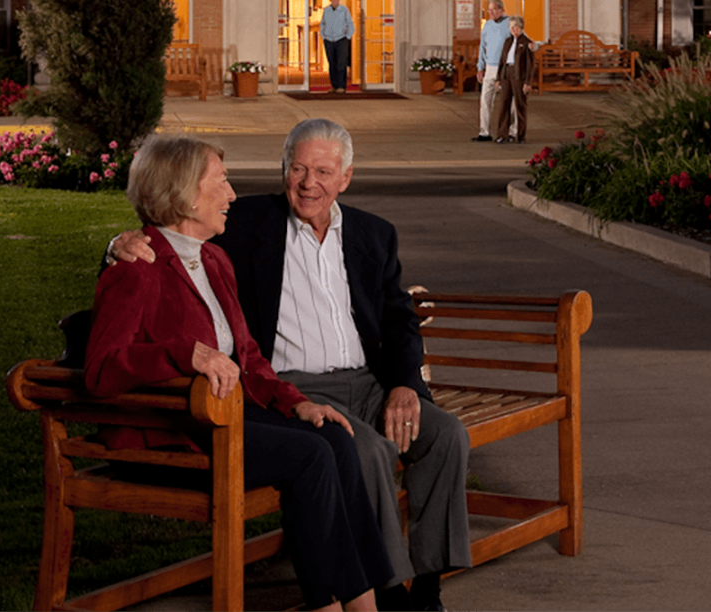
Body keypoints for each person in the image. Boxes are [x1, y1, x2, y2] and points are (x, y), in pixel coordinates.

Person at [108, 120, 472, 612]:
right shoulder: (241, 223)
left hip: (366, 383)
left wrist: (405, 385)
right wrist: (116, 246)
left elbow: (399, 321)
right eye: (298, 169)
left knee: (446, 435)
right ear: (284, 170)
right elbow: (164, 234)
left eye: (323, 172)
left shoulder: (373, 234)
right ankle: (388, 592)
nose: (308, 183)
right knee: (361, 448)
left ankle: (427, 587)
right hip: (290, 384)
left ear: (345, 177)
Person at [472, 1, 514, 142]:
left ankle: (512, 132)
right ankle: (484, 132)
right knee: (485, 100)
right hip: (490, 67)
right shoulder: (488, 25)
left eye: (494, 9)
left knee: (509, 100)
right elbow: (482, 47)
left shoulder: (510, 23)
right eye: (489, 10)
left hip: (505, 68)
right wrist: (480, 67)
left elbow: (520, 41)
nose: (491, 13)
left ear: (502, 10)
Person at [492, 16, 535, 144]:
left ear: (521, 28)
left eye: (516, 26)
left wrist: (528, 82)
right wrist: (498, 78)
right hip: (506, 74)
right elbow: (502, 61)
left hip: (519, 77)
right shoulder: (507, 41)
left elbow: (530, 65)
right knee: (504, 105)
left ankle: (521, 136)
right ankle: (502, 135)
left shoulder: (527, 43)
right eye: (511, 27)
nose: (513, 29)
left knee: (520, 106)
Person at [320, 0, 354, 93]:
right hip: (329, 40)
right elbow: (322, 24)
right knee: (332, 63)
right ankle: (334, 86)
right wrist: (324, 36)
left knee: (341, 63)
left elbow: (350, 24)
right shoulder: (326, 10)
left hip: (341, 39)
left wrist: (347, 37)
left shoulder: (344, 10)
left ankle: (341, 86)